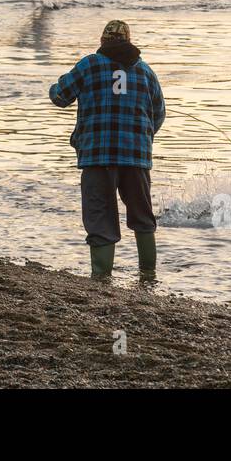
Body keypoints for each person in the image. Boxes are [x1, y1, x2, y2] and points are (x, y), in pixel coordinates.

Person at [49, 20, 164, 279]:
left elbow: (60, 97)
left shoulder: (89, 64)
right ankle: (148, 275)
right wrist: (139, 140)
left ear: (103, 41)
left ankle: (101, 277)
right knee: (142, 215)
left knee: (99, 215)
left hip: (97, 156)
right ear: (129, 41)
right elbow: (158, 114)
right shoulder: (146, 72)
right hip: (137, 157)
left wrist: (56, 85)